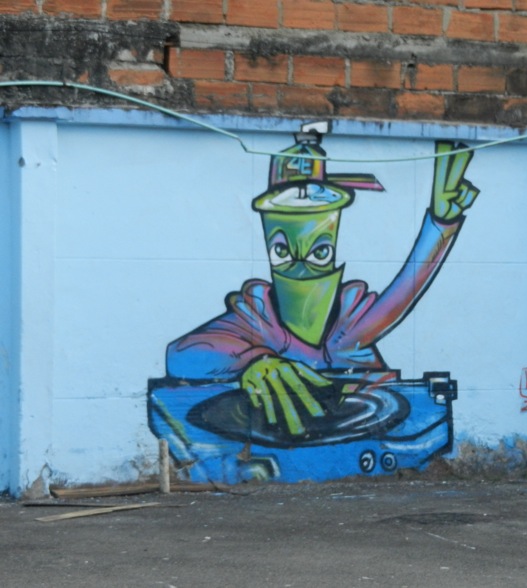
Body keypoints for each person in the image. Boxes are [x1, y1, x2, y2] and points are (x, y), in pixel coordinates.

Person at [166, 131, 479, 437]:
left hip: (373, 432)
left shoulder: (350, 321)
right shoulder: (257, 318)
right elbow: (180, 354)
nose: (300, 269)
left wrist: (441, 223)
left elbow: (402, 293)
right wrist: (254, 362)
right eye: (282, 252)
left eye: (319, 253)